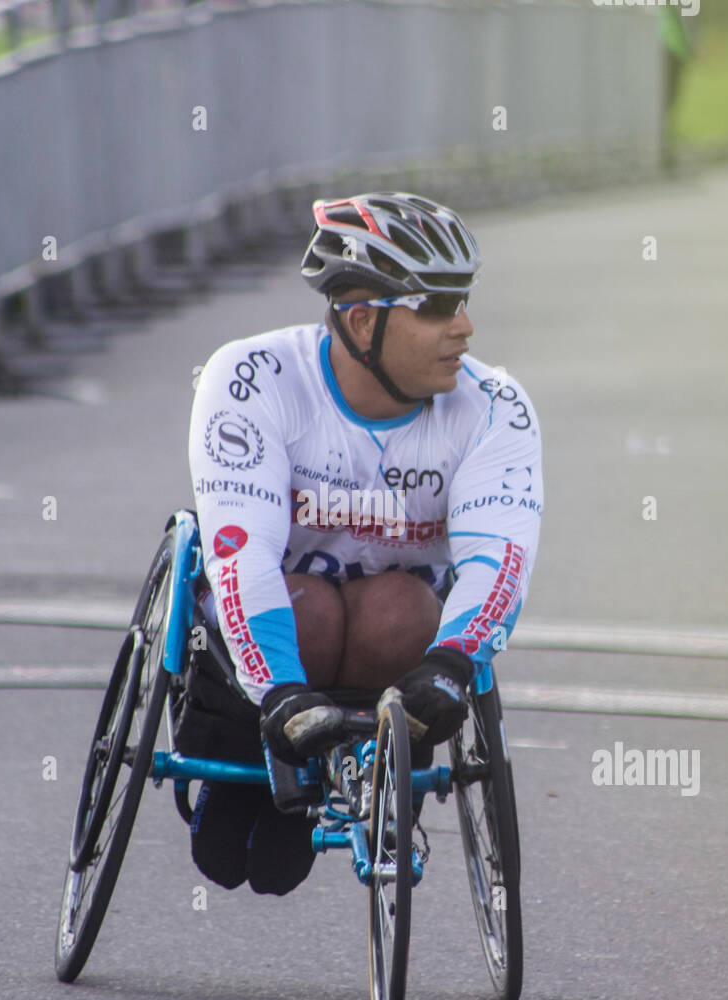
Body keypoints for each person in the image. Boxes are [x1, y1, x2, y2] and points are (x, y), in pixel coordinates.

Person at [182, 191, 543, 895]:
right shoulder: (252, 380)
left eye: (464, 300)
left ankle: (371, 778)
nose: (465, 327)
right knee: (308, 607)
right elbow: (240, 553)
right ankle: (250, 773)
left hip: (393, 643)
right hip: (275, 635)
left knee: (404, 611)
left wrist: (454, 662)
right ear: (361, 320)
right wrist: (281, 694)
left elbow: (499, 561)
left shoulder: (494, 408)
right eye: (437, 306)